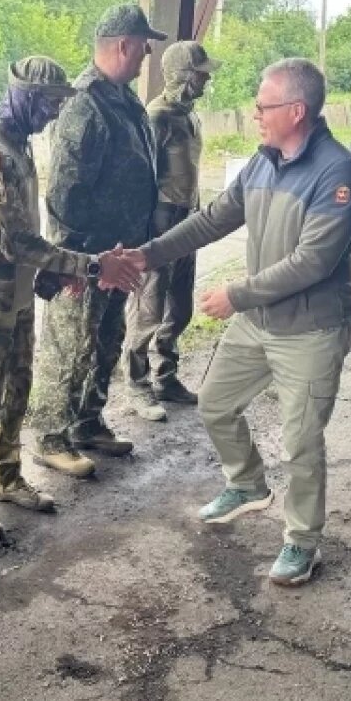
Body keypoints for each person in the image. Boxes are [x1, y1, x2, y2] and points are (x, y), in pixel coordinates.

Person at [123, 58, 351, 587]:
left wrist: (235, 293)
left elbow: (313, 262)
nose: (255, 114)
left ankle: (302, 541)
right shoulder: (262, 163)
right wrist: (149, 254)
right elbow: (211, 220)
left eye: (263, 106)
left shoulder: (337, 172)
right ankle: (249, 485)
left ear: (296, 111)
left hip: (310, 330)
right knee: (215, 404)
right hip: (257, 324)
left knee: (301, 441)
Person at [0, 57, 141, 541]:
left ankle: (5, 477)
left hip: (16, 299)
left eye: (59, 104)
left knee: (17, 394)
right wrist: (88, 264)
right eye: (49, 103)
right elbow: (15, 241)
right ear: (24, 95)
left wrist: (50, 276)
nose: (54, 114)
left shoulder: (19, 147)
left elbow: (29, 239)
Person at [30, 4, 163, 478]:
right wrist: (75, 263)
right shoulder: (84, 103)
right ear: (123, 44)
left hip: (121, 254)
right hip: (89, 257)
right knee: (70, 343)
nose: (148, 54)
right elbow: (65, 192)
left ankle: (87, 422)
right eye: (144, 45)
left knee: (107, 340)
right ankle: (49, 436)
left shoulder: (123, 101)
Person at [125, 40, 220, 422]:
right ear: (183, 74)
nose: (205, 80)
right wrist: (144, 234)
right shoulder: (157, 116)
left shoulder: (190, 116)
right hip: (161, 221)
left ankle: (167, 377)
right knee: (148, 307)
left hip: (188, 218)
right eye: (200, 73)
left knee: (179, 307)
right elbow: (142, 178)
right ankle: (137, 385)